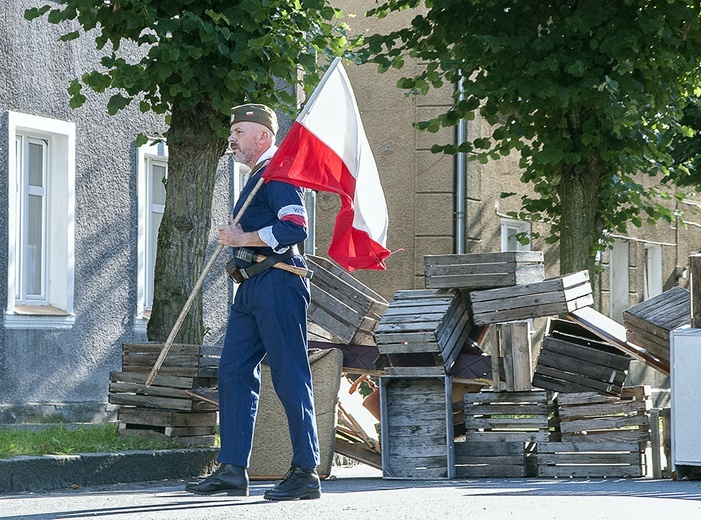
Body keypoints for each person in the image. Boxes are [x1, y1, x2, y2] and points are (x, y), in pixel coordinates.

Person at [185, 103, 321, 501]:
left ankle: (305, 472)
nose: (232, 138)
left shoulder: (278, 173)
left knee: (290, 374)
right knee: (232, 371)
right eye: (232, 132)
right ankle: (232, 469)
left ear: (263, 136)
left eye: (240, 131)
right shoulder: (259, 176)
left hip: (279, 283)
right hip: (251, 287)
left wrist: (242, 238)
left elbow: (295, 226)